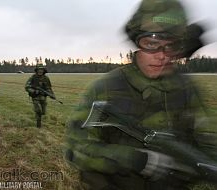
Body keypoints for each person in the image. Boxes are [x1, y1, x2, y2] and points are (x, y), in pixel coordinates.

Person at [64, 0, 217, 190]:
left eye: (171, 46)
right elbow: (74, 150)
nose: (162, 55)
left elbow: (209, 141)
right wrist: (132, 159)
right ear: (137, 43)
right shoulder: (104, 88)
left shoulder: (186, 89)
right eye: (152, 44)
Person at [25, 64, 55, 128]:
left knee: (43, 112)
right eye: (39, 69)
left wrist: (52, 94)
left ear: (44, 70)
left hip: (43, 97)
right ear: (37, 70)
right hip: (35, 97)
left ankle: (37, 114)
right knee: (39, 111)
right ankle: (38, 126)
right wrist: (34, 91)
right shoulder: (33, 77)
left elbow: (48, 88)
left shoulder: (46, 78)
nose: (40, 71)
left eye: (41, 69)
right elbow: (27, 87)